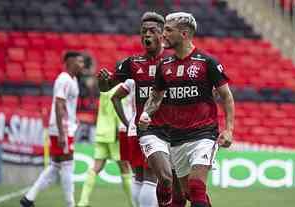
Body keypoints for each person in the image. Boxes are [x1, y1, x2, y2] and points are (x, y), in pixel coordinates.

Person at [139, 12, 235, 207]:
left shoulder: (206, 62)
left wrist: (229, 129)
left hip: (204, 135)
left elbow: (226, 96)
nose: (162, 34)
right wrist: (146, 113)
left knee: (197, 186)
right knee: (188, 194)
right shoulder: (164, 65)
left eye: (167, 30)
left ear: (184, 34)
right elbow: (155, 97)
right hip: (175, 138)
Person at [100, 12, 186, 207]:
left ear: (162, 35)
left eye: (152, 31)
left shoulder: (174, 62)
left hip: (171, 130)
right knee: (151, 178)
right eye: (143, 31)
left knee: (152, 180)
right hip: (148, 130)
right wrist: (102, 83)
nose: (147, 35)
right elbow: (107, 89)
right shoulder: (133, 63)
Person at [20, 51, 85, 207]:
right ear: (70, 62)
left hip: (64, 127)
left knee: (55, 165)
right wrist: (62, 132)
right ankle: (70, 204)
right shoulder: (63, 79)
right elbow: (59, 104)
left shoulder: (73, 79)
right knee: (68, 164)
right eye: (79, 62)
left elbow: (67, 105)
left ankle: (28, 198)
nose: (82, 65)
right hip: (61, 128)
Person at [77, 83, 133, 207]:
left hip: (101, 132)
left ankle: (82, 202)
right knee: (125, 168)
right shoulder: (121, 90)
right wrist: (121, 131)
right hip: (114, 133)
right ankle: (133, 204)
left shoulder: (105, 90)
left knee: (96, 167)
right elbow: (117, 111)